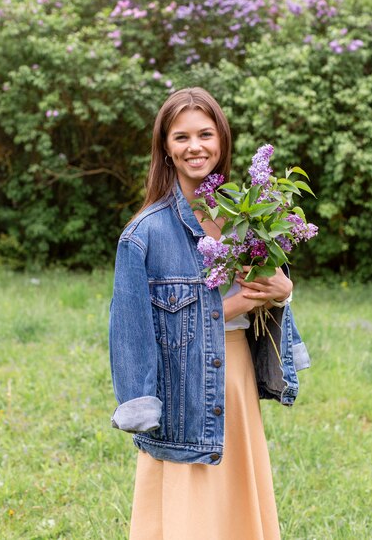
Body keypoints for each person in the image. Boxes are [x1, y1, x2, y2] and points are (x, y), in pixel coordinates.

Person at [109, 87, 310, 540]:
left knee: (235, 506)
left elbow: (269, 292)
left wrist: (284, 291)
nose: (194, 146)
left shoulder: (248, 214)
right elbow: (133, 333)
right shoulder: (142, 235)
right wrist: (234, 304)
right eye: (181, 137)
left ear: (221, 140)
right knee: (189, 512)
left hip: (235, 377)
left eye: (205, 134)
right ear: (165, 147)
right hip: (182, 385)